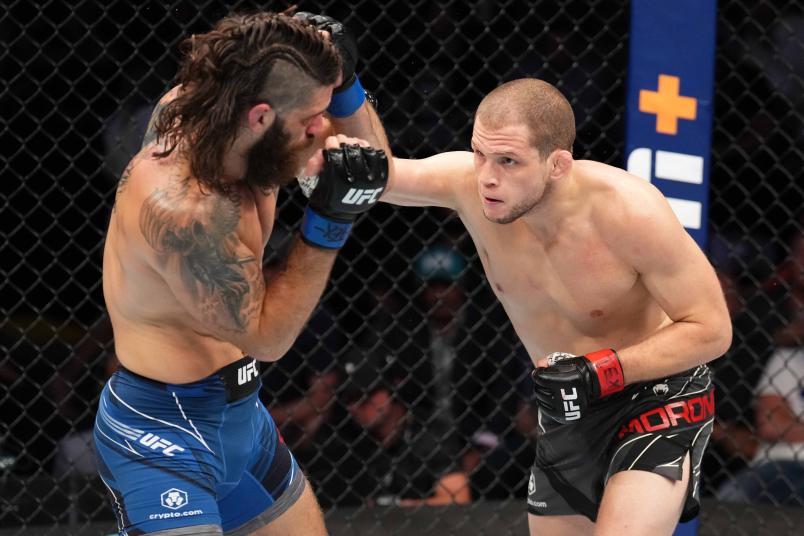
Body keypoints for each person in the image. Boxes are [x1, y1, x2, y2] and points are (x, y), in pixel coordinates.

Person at [375, 78, 732, 535]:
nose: (487, 175)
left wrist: (602, 371)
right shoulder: (469, 185)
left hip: (655, 394)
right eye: (480, 153)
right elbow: (374, 176)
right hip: (567, 407)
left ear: (558, 163)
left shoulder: (630, 212)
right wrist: (348, 92)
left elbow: (712, 329)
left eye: (508, 161)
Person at [93, 11, 390, 536]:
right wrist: (328, 224)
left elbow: (375, 166)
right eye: (312, 118)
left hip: (243, 418)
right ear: (259, 117)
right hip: (164, 432)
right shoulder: (186, 208)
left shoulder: (255, 131)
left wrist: (344, 86)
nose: (323, 129)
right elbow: (269, 336)